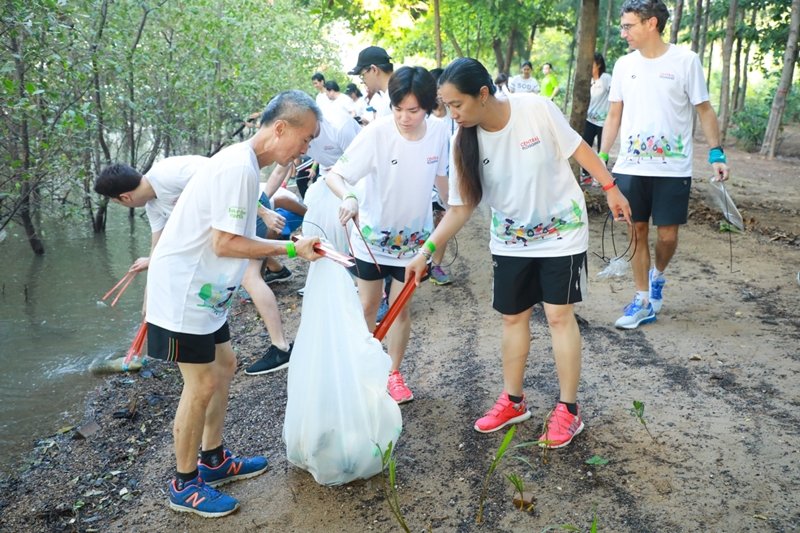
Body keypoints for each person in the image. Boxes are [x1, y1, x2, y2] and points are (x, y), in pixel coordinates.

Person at [406, 58, 631, 448]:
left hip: (562, 231)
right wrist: (426, 249)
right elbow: (460, 208)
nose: (452, 114)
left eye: (456, 104)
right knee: (513, 318)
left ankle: (568, 411)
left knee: (559, 316)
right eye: (447, 106)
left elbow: (579, 149)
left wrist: (610, 187)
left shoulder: (534, 109)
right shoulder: (463, 141)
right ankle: (513, 401)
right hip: (511, 240)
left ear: (483, 93)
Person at [144, 90, 321, 518]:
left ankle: (214, 460)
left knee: (224, 366)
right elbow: (225, 242)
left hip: (206, 294)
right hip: (183, 294)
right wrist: (291, 249)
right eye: (305, 138)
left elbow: (224, 238)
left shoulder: (245, 167)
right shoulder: (235, 167)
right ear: (280, 128)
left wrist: (286, 247)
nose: (306, 148)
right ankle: (184, 485)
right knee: (201, 383)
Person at [94, 159, 297, 376]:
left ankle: (281, 348)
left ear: (125, 197)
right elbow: (159, 250)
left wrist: (263, 212)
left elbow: (228, 182)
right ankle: (278, 270)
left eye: (118, 203)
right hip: (228, 221)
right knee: (235, 268)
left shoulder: (169, 174)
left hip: (250, 204)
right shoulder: (154, 207)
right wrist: (149, 301)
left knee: (250, 276)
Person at [599, 0, 730, 330]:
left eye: (628, 26)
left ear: (651, 24)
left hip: (672, 169)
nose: (623, 32)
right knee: (637, 231)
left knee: (667, 237)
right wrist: (602, 157)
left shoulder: (685, 61)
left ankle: (658, 276)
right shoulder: (624, 64)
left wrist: (716, 154)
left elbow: (704, 110)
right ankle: (642, 299)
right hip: (631, 166)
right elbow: (614, 114)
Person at [325, 66, 450, 404]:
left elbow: (443, 181)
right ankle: (366, 370)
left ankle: (393, 373)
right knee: (367, 304)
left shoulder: (439, 132)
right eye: (398, 109)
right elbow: (336, 175)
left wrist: (454, 210)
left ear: (428, 106)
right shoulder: (377, 132)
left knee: (399, 309)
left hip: (414, 244)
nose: (405, 117)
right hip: (372, 238)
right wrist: (349, 197)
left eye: (413, 110)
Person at [580, 52, 613, 184]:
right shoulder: (588, 80)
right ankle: (586, 174)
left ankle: (600, 178)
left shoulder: (605, 78)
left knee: (602, 149)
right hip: (589, 120)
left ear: (598, 64)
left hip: (604, 122)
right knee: (585, 146)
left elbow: (615, 94)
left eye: (591, 64)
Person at [348, 45, 394, 118]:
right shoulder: (402, 88)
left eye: (363, 76)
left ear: (374, 70)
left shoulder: (391, 100)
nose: (363, 81)